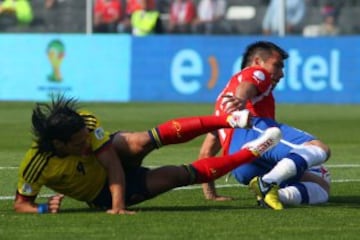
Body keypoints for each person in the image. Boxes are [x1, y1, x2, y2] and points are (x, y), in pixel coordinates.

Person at [14, 95, 281, 214]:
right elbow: (21, 204)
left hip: (112, 166)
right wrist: (40, 208)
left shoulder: (86, 124)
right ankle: (253, 151)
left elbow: (111, 163)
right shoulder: (37, 165)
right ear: (60, 144)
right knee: (177, 176)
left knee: (140, 141)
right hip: (101, 193)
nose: (85, 142)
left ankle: (228, 120)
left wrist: (119, 208)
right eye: (78, 142)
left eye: (85, 136)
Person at [198, 41, 331, 210]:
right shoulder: (256, 73)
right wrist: (241, 99)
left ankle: (273, 194)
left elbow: (206, 152)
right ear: (257, 61)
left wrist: (210, 194)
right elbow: (247, 86)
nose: (281, 74)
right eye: (277, 65)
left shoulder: (222, 103)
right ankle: (268, 182)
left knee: (321, 187)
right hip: (253, 134)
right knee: (319, 148)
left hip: (241, 165)